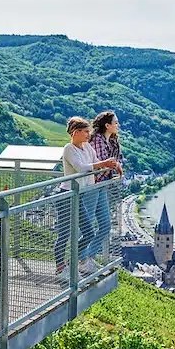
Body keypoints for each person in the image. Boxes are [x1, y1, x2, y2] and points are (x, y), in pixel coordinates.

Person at [54, 116, 121, 281]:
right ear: (76, 132)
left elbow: (97, 162)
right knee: (64, 233)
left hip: (79, 194)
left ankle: (72, 261)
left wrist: (111, 164)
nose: (88, 135)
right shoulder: (69, 148)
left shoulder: (87, 148)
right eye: (85, 132)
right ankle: (60, 267)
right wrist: (103, 164)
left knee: (89, 233)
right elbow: (81, 168)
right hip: (66, 195)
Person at [86, 111, 122, 262]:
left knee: (105, 225)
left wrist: (114, 165)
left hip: (102, 186)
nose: (117, 125)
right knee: (87, 226)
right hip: (92, 186)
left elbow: (117, 161)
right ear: (107, 125)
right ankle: (82, 259)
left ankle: (87, 257)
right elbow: (100, 164)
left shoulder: (111, 142)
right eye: (115, 122)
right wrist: (113, 165)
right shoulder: (97, 141)